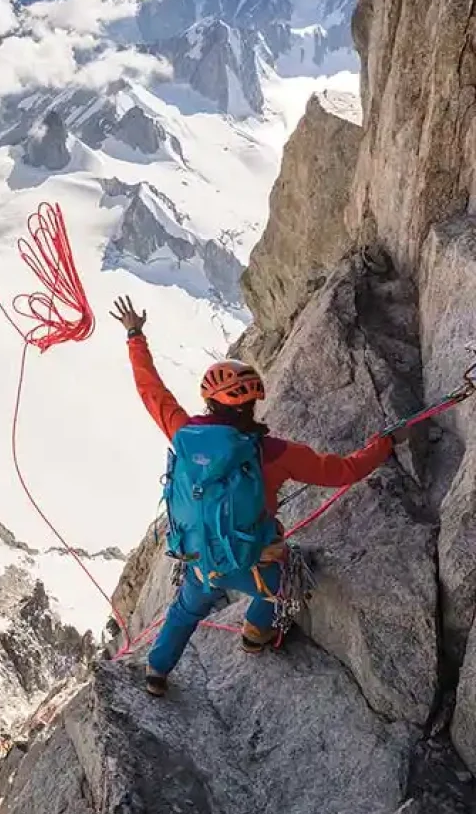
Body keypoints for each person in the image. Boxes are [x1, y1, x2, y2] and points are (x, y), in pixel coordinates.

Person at [111, 295, 402, 698]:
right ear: (253, 402)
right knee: (283, 581)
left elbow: (151, 391)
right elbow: (344, 471)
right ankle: (254, 636)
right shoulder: (275, 452)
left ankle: (157, 673)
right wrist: (384, 445)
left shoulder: (183, 432)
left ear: (209, 401)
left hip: (199, 557)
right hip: (252, 559)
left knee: (185, 610)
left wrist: (134, 334)